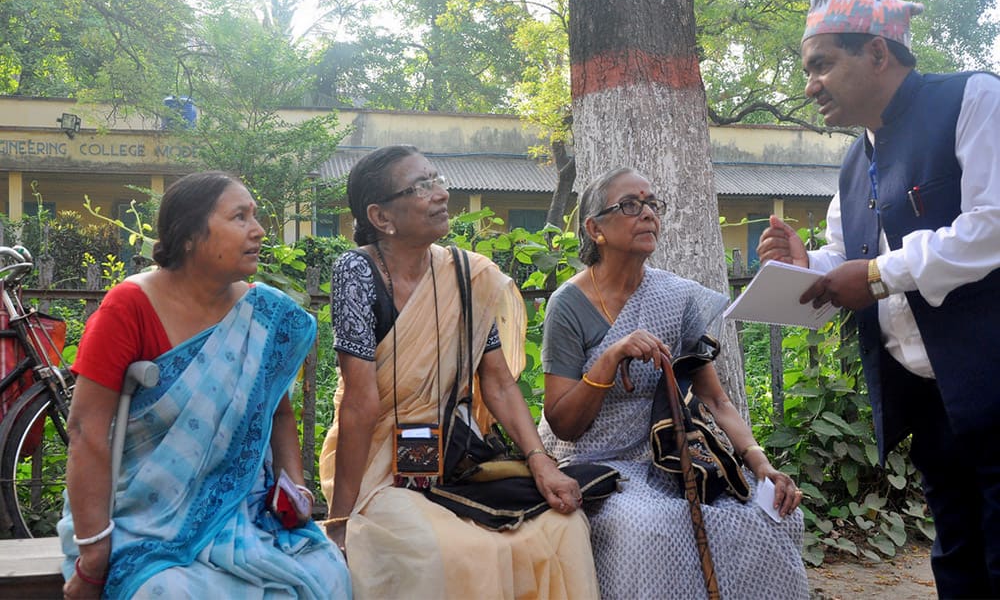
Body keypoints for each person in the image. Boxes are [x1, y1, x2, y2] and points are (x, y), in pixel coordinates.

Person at [757, 0, 1000, 596]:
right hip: (928, 394)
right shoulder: (853, 159)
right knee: (957, 550)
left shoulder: (974, 98)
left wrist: (871, 275)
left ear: (877, 53)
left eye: (822, 64)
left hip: (992, 380)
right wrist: (808, 263)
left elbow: (990, 225)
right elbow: (850, 253)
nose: (810, 85)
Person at [318, 145, 600, 599]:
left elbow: (499, 383)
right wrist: (339, 521)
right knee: (441, 550)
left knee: (560, 526)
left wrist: (541, 463)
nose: (440, 194)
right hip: (375, 462)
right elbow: (359, 402)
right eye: (421, 186)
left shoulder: (466, 275)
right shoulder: (359, 270)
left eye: (437, 179)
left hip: (455, 456)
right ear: (381, 216)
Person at [58, 171, 351, 599]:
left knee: (327, 573)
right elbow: (86, 430)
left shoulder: (262, 312)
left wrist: (295, 489)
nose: (258, 230)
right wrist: (94, 553)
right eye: (239, 217)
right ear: (190, 234)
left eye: (255, 216)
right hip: (144, 517)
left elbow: (278, 411)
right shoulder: (130, 307)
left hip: (244, 513)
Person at [539, 167, 809, 599]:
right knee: (650, 527)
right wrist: (610, 358)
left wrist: (761, 466)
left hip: (673, 457)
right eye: (630, 205)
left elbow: (715, 401)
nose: (647, 214)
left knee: (773, 514)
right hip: (597, 462)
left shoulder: (676, 297)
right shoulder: (568, 305)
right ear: (595, 229)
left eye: (652, 204)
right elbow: (564, 424)